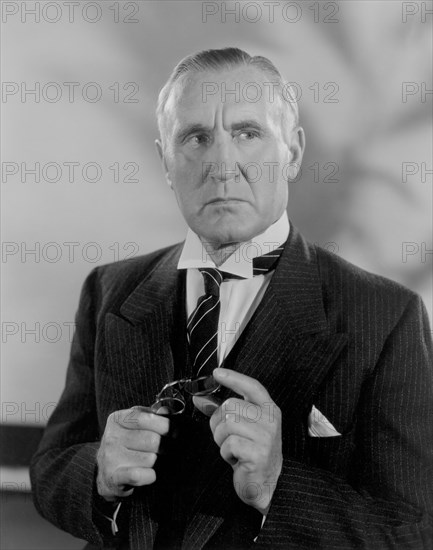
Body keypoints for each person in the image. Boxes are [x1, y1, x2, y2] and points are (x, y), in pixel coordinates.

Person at [30, 47, 433, 550]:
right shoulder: (109, 291)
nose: (222, 166)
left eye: (247, 133)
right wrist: (98, 473)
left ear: (294, 151)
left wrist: (276, 488)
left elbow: (413, 531)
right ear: (165, 161)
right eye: (196, 138)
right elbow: (50, 468)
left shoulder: (386, 315)